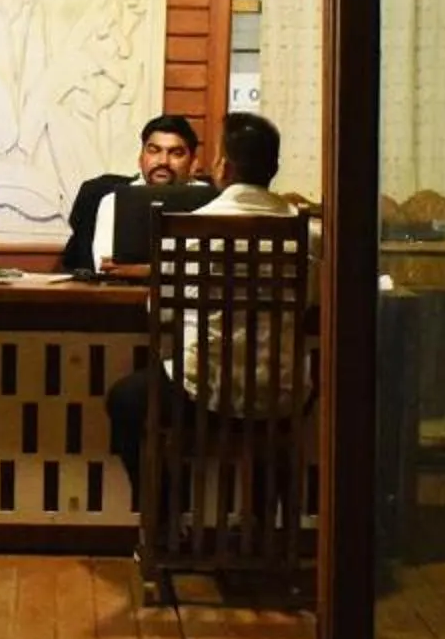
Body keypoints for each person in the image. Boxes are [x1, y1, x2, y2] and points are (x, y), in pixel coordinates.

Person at [105, 111, 315, 489]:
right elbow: (312, 304)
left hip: (201, 394)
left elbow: (160, 314)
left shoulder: (187, 228)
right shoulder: (307, 234)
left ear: (223, 167)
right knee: (286, 409)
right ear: (274, 167)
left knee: (125, 400)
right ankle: (267, 517)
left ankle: (165, 511)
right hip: (281, 396)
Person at [59, 112, 201, 271]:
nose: (163, 161)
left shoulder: (210, 204)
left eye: (176, 153)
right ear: (140, 158)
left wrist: (140, 270)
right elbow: (105, 268)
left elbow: (201, 269)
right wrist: (161, 269)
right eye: (154, 151)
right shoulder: (114, 201)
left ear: (193, 164)